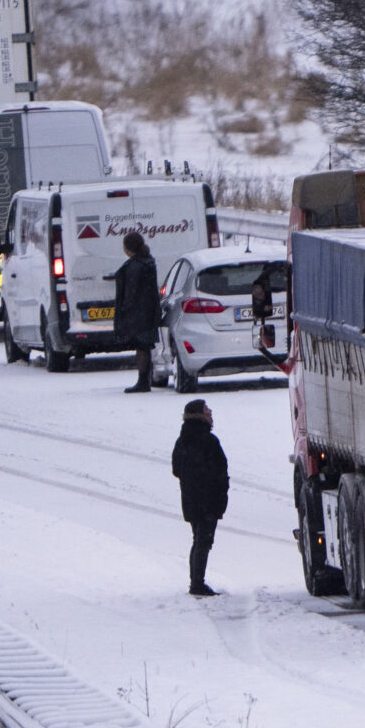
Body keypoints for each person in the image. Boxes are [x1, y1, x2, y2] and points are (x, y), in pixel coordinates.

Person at [172, 399, 229, 597]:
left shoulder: (182, 440)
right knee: (203, 541)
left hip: (190, 499)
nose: (210, 412)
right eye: (206, 410)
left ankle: (196, 581)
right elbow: (220, 470)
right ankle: (197, 583)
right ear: (199, 415)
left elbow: (176, 469)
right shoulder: (209, 441)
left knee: (198, 539)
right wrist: (218, 492)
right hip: (208, 500)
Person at [113, 230, 161, 392]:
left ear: (128, 248)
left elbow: (131, 292)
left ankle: (142, 381)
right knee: (144, 346)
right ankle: (144, 379)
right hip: (148, 312)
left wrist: (125, 311)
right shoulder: (148, 262)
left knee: (142, 347)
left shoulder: (135, 266)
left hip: (138, 314)